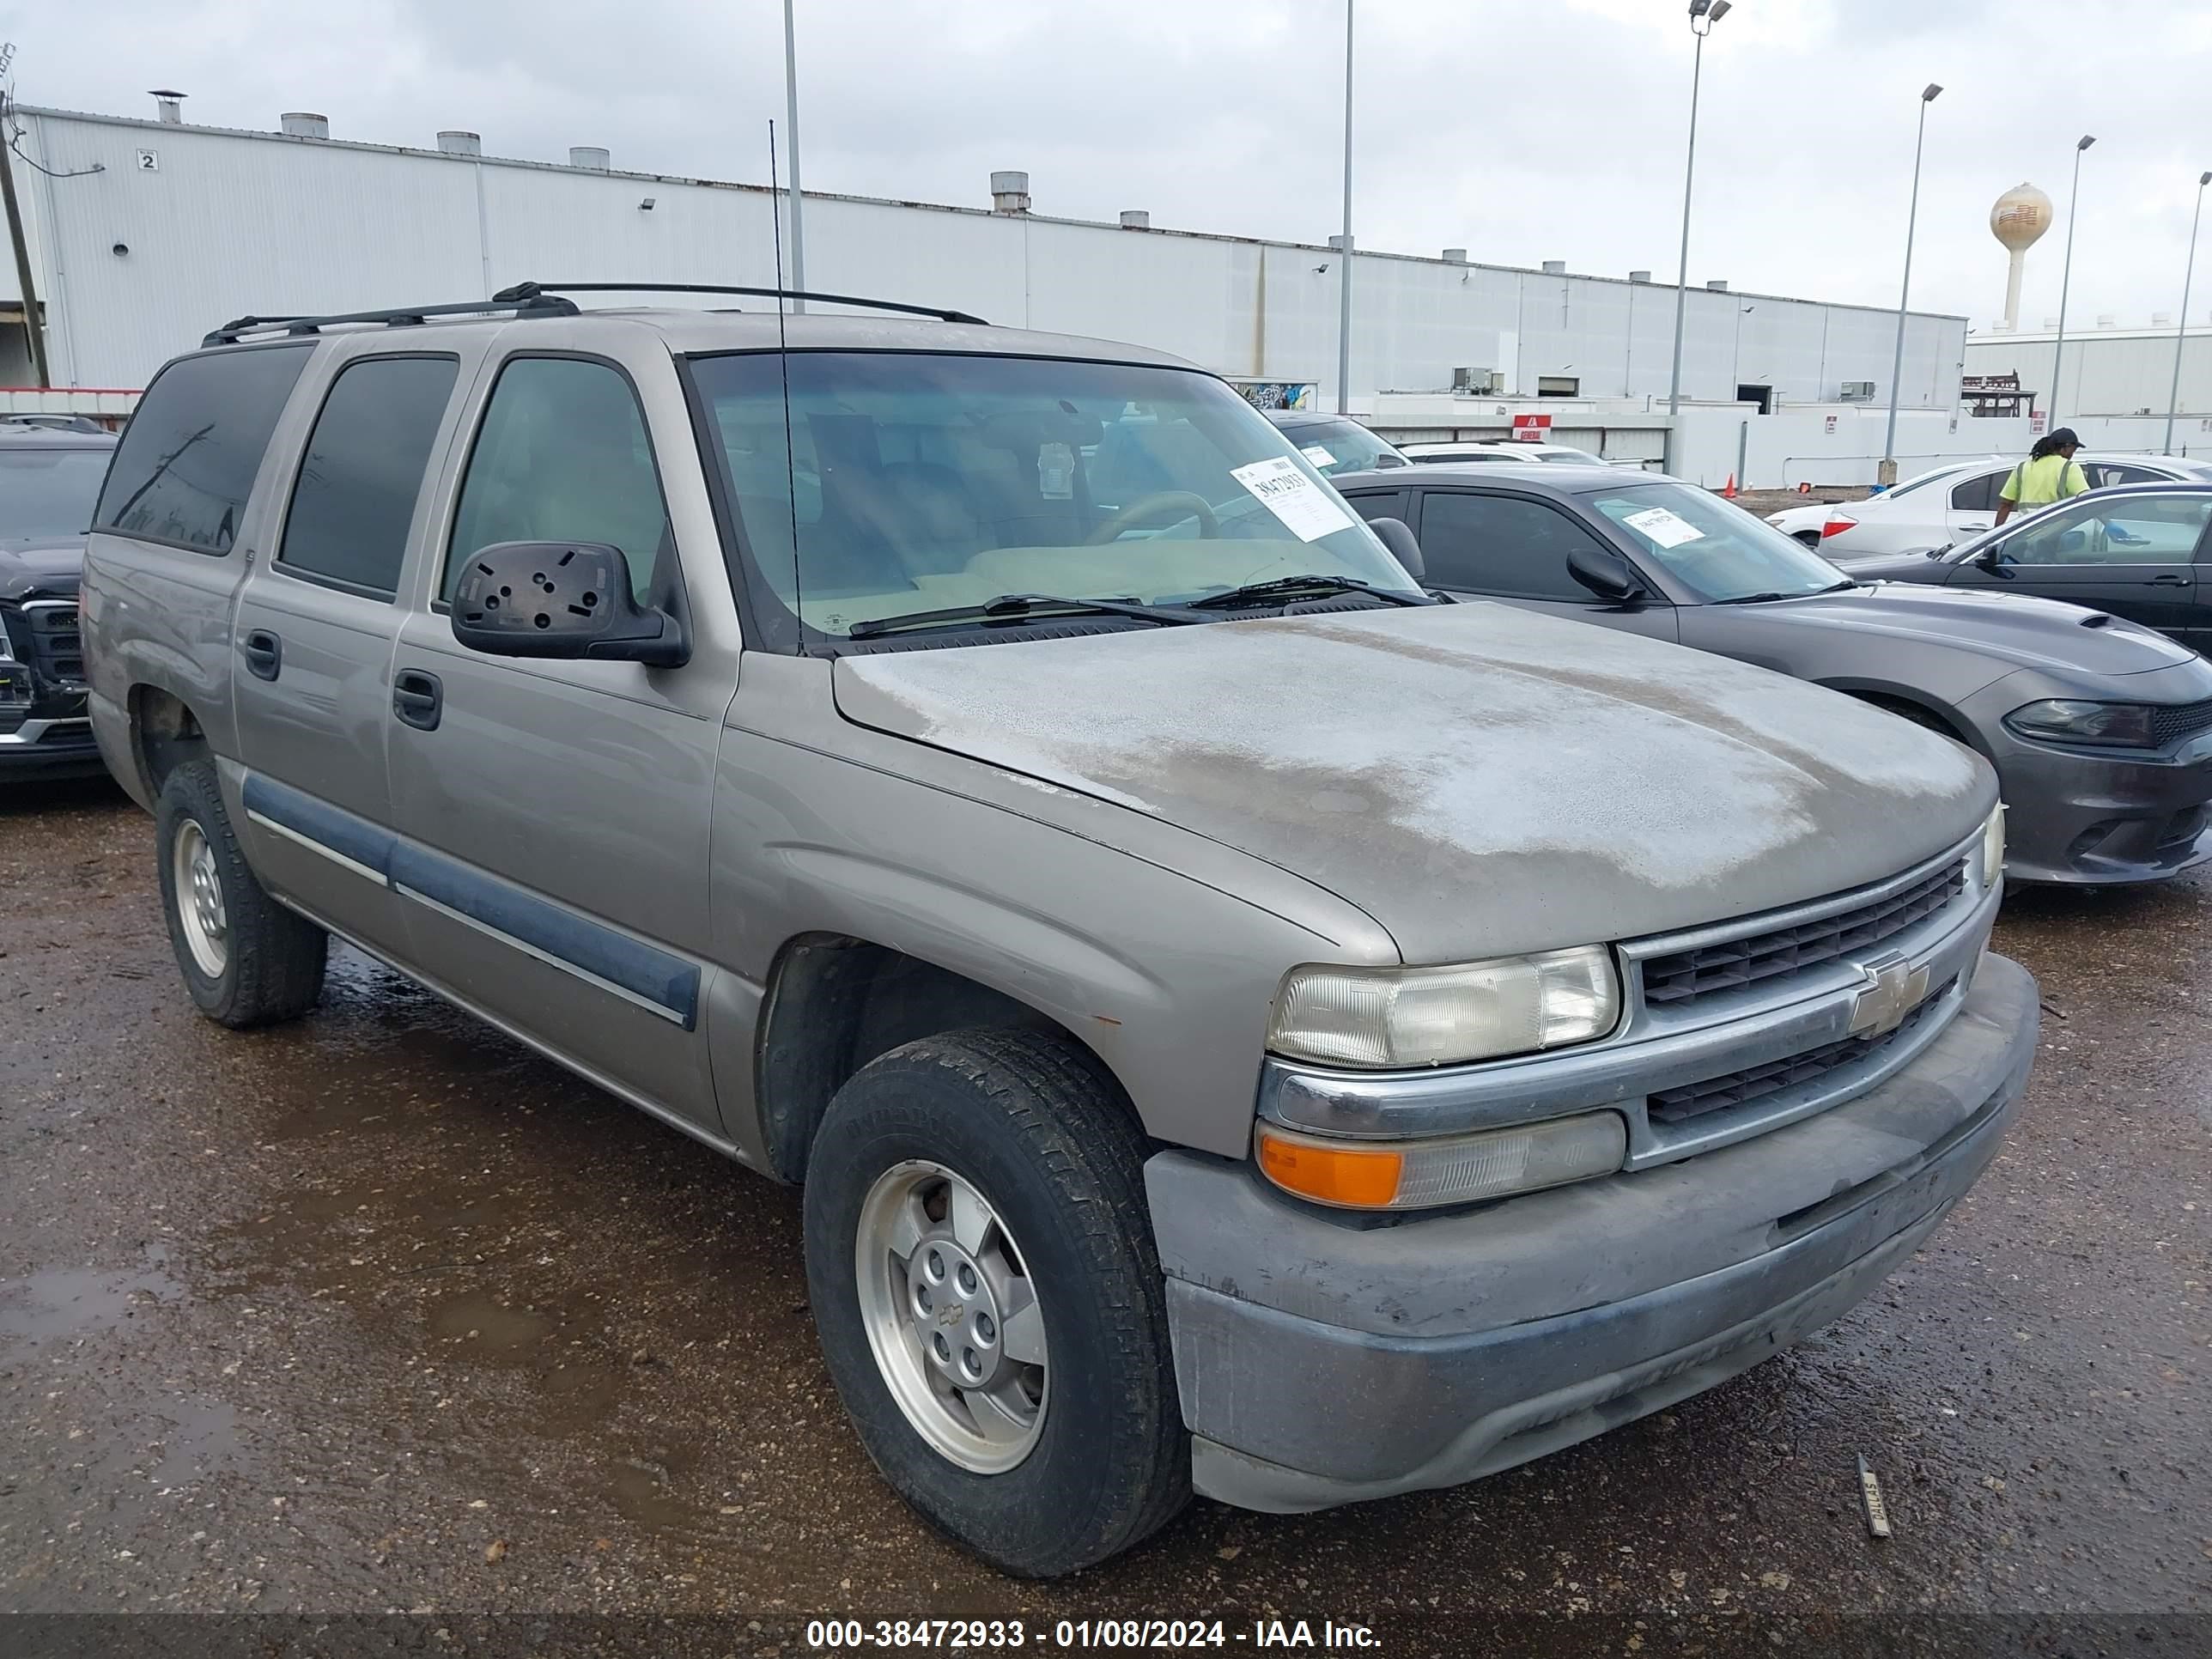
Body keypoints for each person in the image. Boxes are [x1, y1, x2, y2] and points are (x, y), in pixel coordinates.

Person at [1992, 428, 2089, 526]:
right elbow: (2086, 500)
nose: (2072, 454)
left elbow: (2006, 505)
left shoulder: (2022, 467)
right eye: (2073, 450)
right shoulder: (2069, 467)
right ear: (2065, 447)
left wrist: (1995, 534)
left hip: (2024, 531)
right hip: (2054, 532)